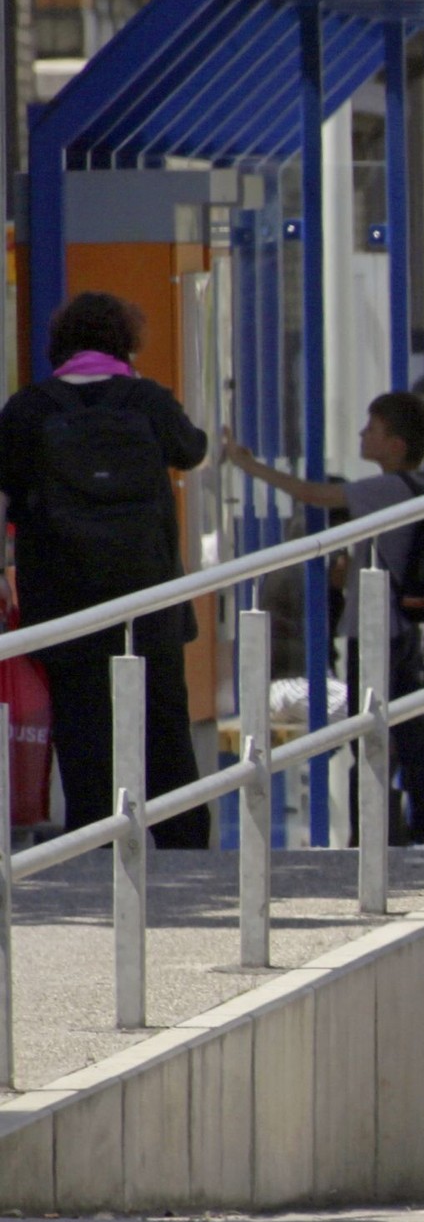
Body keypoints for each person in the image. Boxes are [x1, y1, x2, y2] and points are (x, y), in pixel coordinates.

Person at [0, 292, 211, 845]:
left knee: (82, 727)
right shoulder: (147, 400)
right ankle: (184, 845)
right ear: (126, 343)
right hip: (148, 594)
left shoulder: (29, 409)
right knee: (164, 724)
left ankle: (94, 844)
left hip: (63, 599)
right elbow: (192, 450)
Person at [224, 392, 424, 844]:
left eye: (373, 428)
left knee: (371, 733)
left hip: (376, 631)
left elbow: (314, 495)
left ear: (397, 445)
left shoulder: (387, 488)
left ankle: (381, 832)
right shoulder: (407, 487)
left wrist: (248, 466)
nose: (362, 434)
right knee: (405, 730)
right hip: (397, 630)